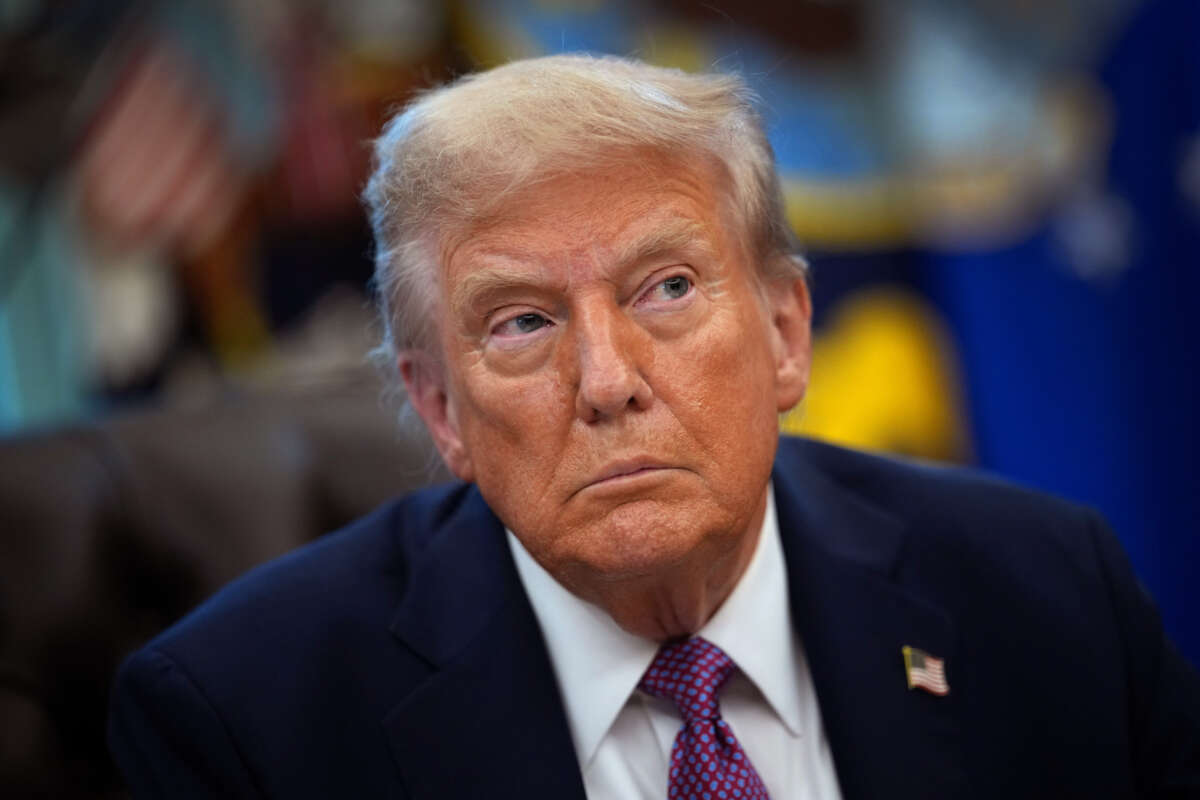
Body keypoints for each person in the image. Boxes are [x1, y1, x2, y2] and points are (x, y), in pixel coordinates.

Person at [108, 54, 1200, 799]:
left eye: (667, 288)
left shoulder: (1051, 599)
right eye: (523, 321)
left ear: (784, 332)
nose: (607, 380)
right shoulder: (247, 728)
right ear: (440, 408)